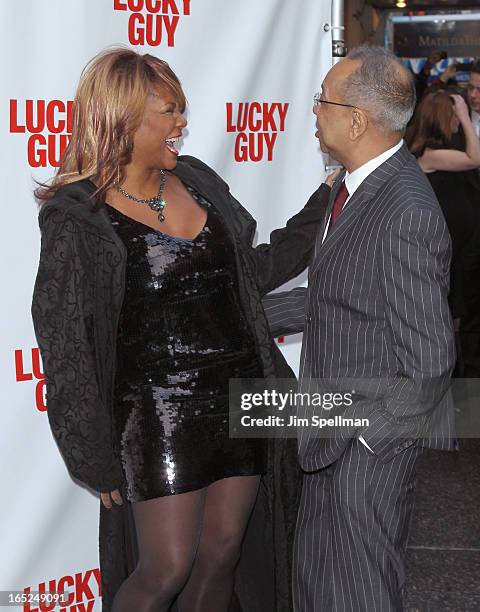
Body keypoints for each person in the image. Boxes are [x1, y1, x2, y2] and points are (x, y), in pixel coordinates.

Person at [31, 47, 335, 612]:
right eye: (168, 112)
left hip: (239, 394)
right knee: (165, 567)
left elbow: (254, 273)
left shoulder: (197, 182)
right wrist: (91, 454)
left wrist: (327, 200)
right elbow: (65, 345)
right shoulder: (79, 217)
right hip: (158, 412)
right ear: (122, 119)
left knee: (222, 556)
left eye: (181, 111)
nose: (181, 125)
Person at [263, 46, 456, 611]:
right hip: (325, 433)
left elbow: (430, 362)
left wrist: (368, 446)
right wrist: (233, 318)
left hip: (362, 453)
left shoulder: (404, 208)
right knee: (320, 593)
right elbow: (335, 300)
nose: (314, 111)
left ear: (355, 119)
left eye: (322, 100)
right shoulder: (349, 188)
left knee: (361, 595)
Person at [406, 90, 480, 374]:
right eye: (454, 118)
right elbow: (475, 157)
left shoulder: (432, 151)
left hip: (455, 248)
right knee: (448, 318)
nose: (458, 124)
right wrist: (465, 115)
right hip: (446, 252)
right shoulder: (430, 154)